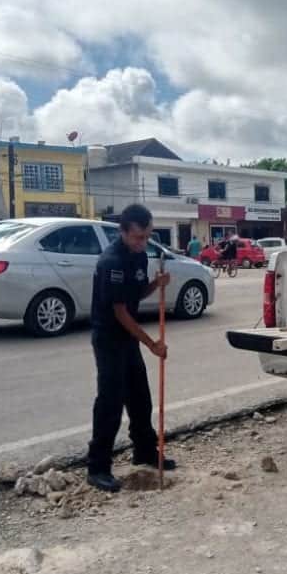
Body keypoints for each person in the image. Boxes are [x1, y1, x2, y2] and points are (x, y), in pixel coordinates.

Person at [86, 204, 174, 492]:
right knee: (110, 403)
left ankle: (145, 452)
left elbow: (135, 292)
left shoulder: (139, 256)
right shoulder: (111, 261)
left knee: (140, 399)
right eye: (137, 237)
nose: (143, 242)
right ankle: (98, 467)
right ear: (123, 232)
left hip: (128, 338)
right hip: (110, 338)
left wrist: (155, 284)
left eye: (147, 236)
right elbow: (121, 311)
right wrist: (151, 344)